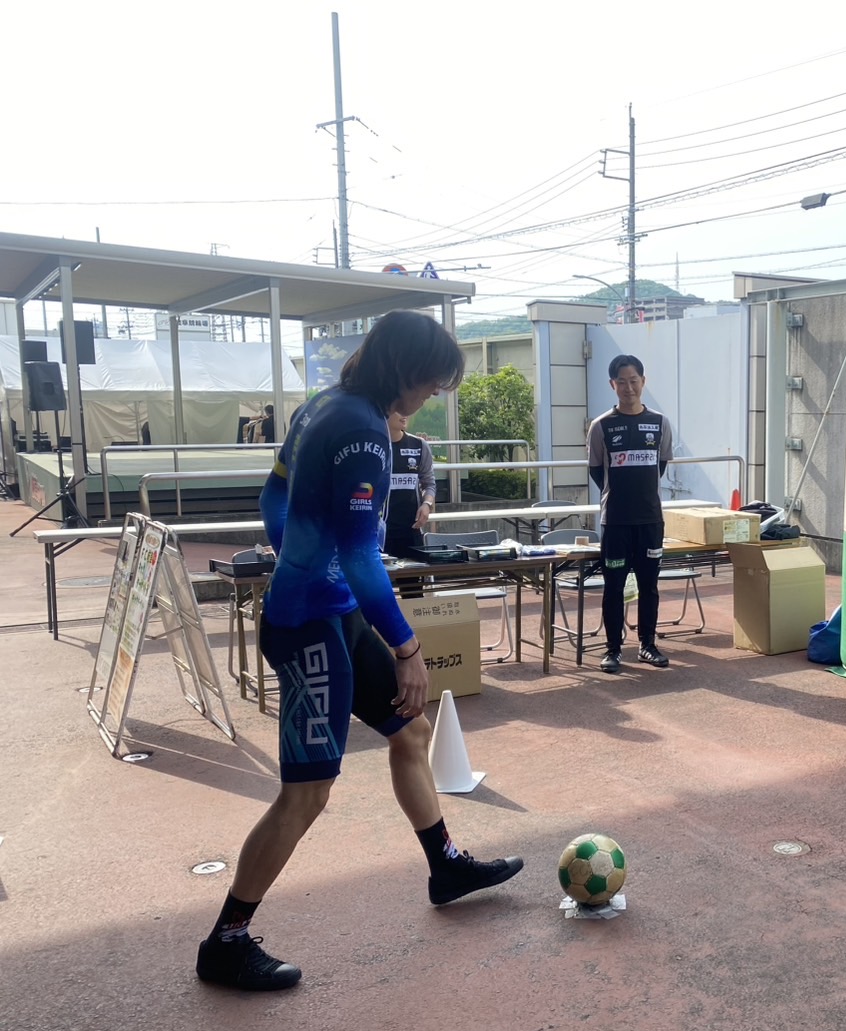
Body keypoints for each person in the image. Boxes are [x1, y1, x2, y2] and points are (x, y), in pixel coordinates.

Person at [195, 311, 524, 992]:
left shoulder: (324, 405)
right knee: (306, 794)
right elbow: (360, 557)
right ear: (404, 371)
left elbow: (274, 493)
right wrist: (407, 646)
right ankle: (225, 941)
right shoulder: (365, 434)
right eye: (431, 384)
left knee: (412, 730)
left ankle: (444, 866)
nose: (430, 396)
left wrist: (297, 554)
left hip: (332, 610)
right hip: (307, 627)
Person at [586, 353, 675, 674]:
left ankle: (647, 645)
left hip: (650, 520)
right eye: (621, 382)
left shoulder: (660, 423)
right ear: (612, 385)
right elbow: (597, 471)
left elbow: (660, 466)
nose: (629, 388)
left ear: (643, 382)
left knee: (649, 587)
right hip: (616, 522)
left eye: (634, 381)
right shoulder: (601, 426)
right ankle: (613, 650)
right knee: (613, 587)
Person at [384, 410, 436, 559]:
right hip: (378, 532)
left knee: (414, 574)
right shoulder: (373, 445)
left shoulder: (419, 445)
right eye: (399, 410)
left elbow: (429, 482)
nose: (404, 414)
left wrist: (427, 504)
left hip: (411, 530)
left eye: (406, 411)